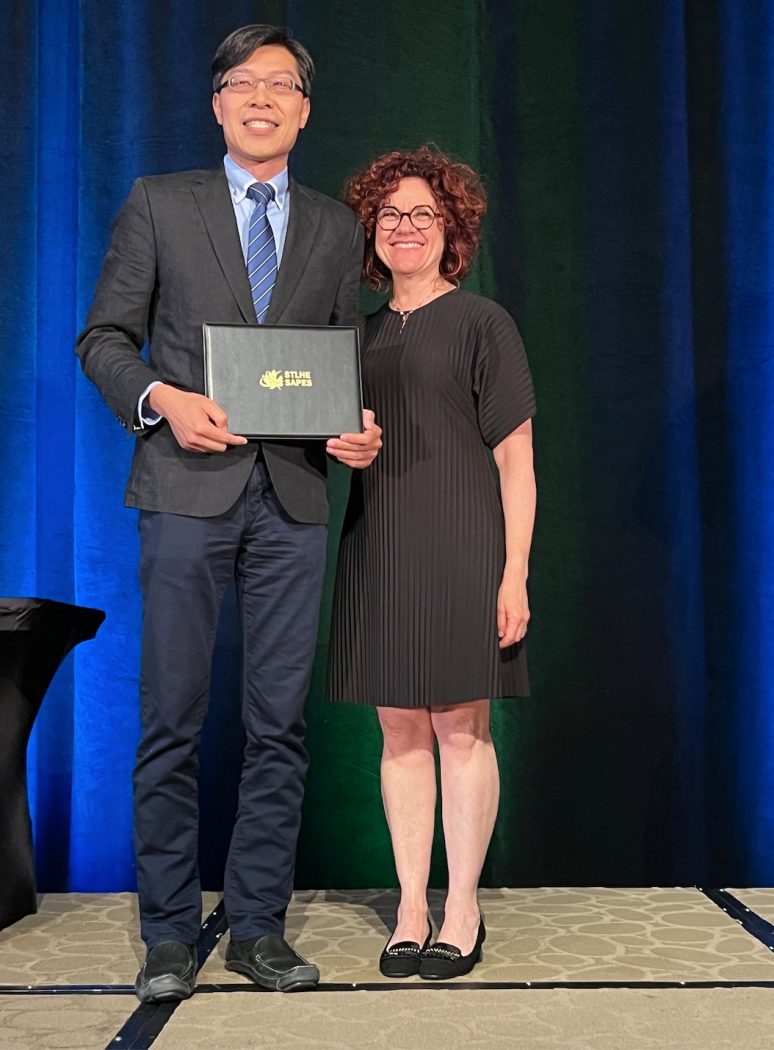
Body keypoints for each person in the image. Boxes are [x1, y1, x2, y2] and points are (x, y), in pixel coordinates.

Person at [76, 24, 381, 1002]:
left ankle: (258, 930)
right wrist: (162, 399)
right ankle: (167, 936)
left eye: (282, 84)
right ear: (218, 103)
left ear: (303, 106)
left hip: (292, 498)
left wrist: (354, 429)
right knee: (171, 717)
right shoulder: (161, 203)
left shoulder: (336, 227)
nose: (263, 97)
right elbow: (104, 339)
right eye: (244, 83)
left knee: (279, 728)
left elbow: (340, 362)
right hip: (183, 494)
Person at [327, 147, 536, 980]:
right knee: (398, 729)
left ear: (450, 230)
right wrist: (341, 446)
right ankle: (410, 907)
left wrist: (514, 571)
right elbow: (330, 434)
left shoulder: (485, 322)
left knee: (460, 726)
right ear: (370, 233)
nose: (404, 228)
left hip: (464, 542)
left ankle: (462, 907)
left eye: (422, 215)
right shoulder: (357, 332)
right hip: (377, 542)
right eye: (389, 216)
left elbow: (517, 455)